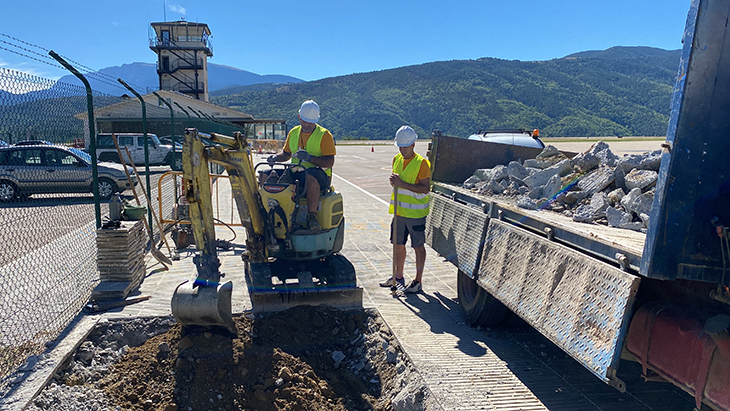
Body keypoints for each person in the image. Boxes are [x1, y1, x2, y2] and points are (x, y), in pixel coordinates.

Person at [267, 100, 336, 232]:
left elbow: (329, 162)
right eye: (305, 121)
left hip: (319, 175)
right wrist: (276, 157)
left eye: (310, 122)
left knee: (310, 175)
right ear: (299, 117)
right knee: (267, 173)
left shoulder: (324, 135)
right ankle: (269, 212)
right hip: (296, 171)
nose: (307, 124)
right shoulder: (294, 132)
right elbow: (286, 154)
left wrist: (309, 158)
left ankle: (312, 217)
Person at [380, 126, 430, 293]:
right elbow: (398, 184)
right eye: (400, 146)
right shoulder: (397, 159)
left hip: (416, 214)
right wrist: (393, 182)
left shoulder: (422, 163)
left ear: (413, 144)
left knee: (418, 247)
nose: (402, 149)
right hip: (399, 213)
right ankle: (398, 277)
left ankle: (418, 281)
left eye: (405, 146)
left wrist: (402, 184)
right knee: (398, 245)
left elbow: (425, 188)